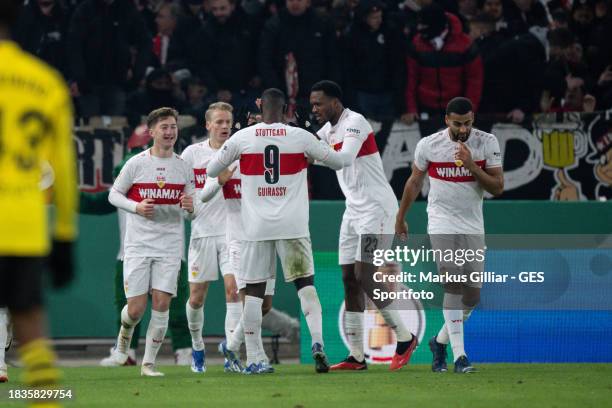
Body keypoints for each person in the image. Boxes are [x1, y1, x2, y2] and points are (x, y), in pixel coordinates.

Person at [210, 88, 344, 374]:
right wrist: (312, 136)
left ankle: (254, 357)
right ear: (286, 109)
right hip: (293, 226)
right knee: (305, 286)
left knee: (255, 293)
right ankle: (318, 344)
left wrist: (234, 145)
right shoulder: (299, 136)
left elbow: (212, 170)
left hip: (255, 227)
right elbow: (339, 161)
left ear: (261, 106)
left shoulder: (242, 137)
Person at [310, 80, 418, 371]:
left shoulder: (355, 122)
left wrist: (312, 150)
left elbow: (343, 159)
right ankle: (356, 355)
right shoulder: (327, 130)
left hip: (377, 210)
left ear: (335, 102)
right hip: (353, 211)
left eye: (319, 103)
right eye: (312, 104)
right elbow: (314, 152)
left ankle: (405, 338)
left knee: (365, 274)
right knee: (348, 278)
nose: (315, 109)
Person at [0, 0, 78, 394]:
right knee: (30, 326)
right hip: (22, 224)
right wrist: (64, 233)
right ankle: (45, 402)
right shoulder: (43, 81)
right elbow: (63, 168)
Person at [395, 97, 503, 373]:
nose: (463, 129)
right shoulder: (429, 145)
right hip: (441, 222)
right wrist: (400, 217)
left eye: (467, 123)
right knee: (452, 283)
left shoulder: (487, 142)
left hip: (472, 225)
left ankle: (439, 342)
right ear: (446, 120)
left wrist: (472, 166)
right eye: (457, 124)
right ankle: (460, 357)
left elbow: (497, 188)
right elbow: (415, 181)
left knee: (473, 297)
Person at [198, 103, 299, 374]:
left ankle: (231, 344)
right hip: (240, 240)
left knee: (264, 305)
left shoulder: (270, 161)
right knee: (248, 300)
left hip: (265, 238)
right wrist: (220, 180)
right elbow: (204, 196)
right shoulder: (231, 156)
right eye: (255, 123)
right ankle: (256, 358)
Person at [79, 126, 192, 367]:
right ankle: (126, 350)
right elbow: (98, 201)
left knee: (174, 305)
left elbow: (194, 205)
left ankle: (182, 349)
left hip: (169, 249)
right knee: (131, 308)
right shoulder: (130, 173)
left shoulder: (177, 169)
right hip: (133, 250)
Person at [107, 107, 195, 377]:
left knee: (162, 304)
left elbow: (193, 210)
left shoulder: (183, 166)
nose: (169, 132)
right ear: (152, 131)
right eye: (164, 127)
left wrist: (190, 206)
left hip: (169, 245)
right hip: (139, 245)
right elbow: (114, 195)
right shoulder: (136, 163)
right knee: (135, 310)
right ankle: (125, 334)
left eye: (173, 127)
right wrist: (135, 207)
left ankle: (148, 364)